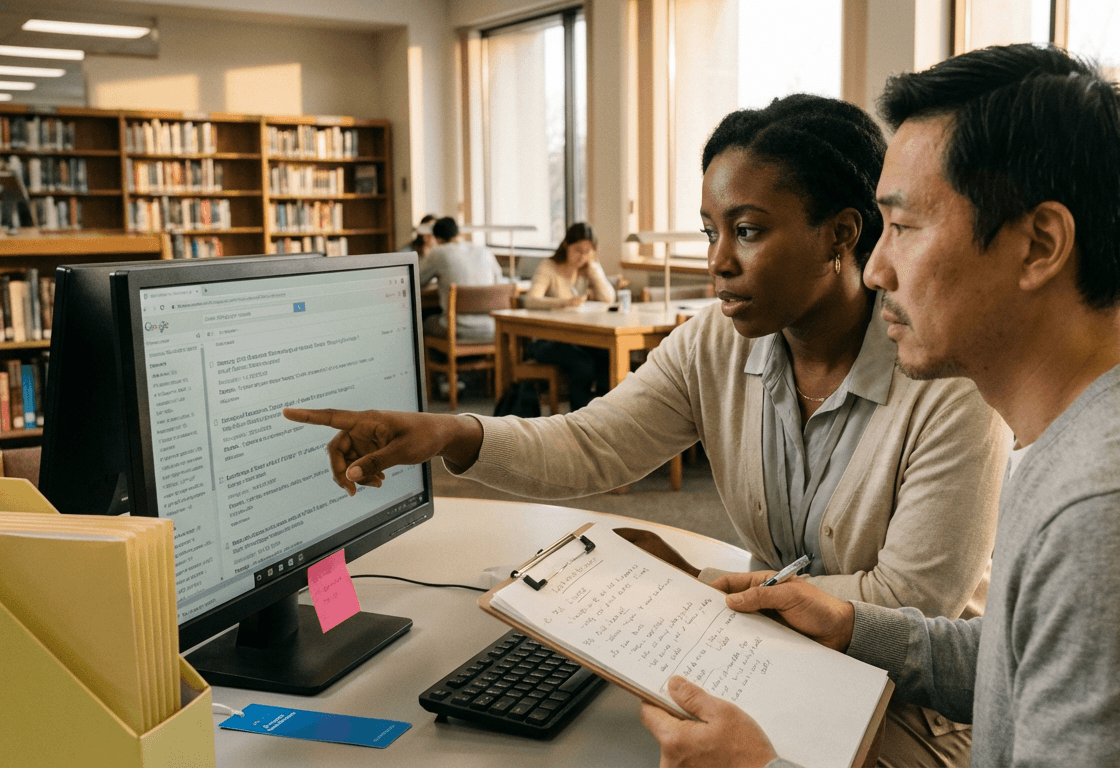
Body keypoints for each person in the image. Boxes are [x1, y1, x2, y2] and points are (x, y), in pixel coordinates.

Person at [637, 45, 1120, 767]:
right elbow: (1016, 656)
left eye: (902, 228)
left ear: (1039, 246)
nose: (876, 269)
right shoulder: (1092, 423)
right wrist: (848, 623)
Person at [284, 94, 1010, 767]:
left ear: (842, 234)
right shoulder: (717, 344)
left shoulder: (946, 379)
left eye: (748, 232)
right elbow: (590, 443)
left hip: (906, 713)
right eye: (711, 231)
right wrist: (451, 434)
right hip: (758, 665)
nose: (718, 261)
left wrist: (686, 593)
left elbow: (910, 601)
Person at [521, 222, 617, 410]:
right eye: (578, 250)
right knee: (583, 364)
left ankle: (604, 413)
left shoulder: (587, 268)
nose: (582, 256)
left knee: (607, 356)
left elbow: (609, 298)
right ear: (566, 245)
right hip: (547, 340)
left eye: (588, 251)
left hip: (578, 337)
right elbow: (530, 300)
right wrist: (563, 302)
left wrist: (594, 272)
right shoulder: (549, 267)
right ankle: (579, 416)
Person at [419, 216, 505, 342]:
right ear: (458, 233)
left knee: (424, 323)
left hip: (457, 328)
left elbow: (418, 280)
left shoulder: (438, 252)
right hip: (490, 327)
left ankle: (441, 360)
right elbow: (498, 281)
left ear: (437, 239)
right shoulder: (484, 250)